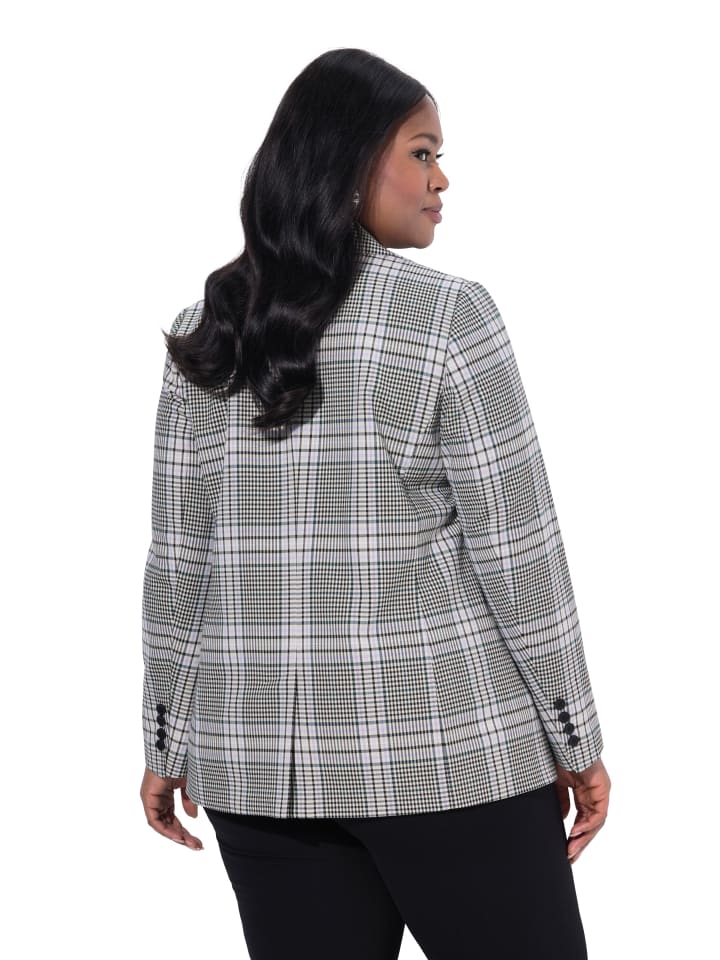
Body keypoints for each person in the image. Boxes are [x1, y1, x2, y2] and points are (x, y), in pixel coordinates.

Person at [139, 47, 611, 960]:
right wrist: (574, 736)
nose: (442, 180)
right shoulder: (448, 317)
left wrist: (166, 738)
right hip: (447, 761)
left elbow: (178, 568)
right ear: (350, 163)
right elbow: (520, 556)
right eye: (422, 153)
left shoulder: (210, 332)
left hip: (258, 775)